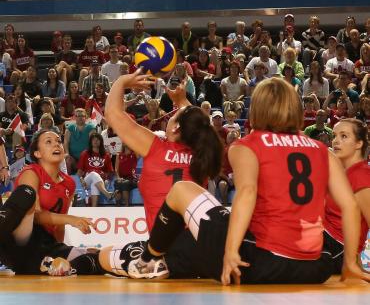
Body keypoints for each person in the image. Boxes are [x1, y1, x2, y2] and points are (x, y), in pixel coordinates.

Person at [126, 77, 370, 285]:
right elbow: (349, 206)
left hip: (263, 263)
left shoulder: (247, 146)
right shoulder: (321, 149)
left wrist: (231, 252)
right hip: (315, 267)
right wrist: (349, 262)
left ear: (257, 108)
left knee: (181, 190)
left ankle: (148, 259)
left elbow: (247, 192)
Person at [105, 69, 223, 232]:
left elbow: (112, 114)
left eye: (172, 116)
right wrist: (182, 102)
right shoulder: (201, 152)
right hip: (198, 245)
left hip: (164, 250)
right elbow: (202, 127)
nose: (169, 117)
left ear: (175, 128)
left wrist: (122, 81)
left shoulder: (155, 148)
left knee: (100, 256)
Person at [0, 129, 101, 275]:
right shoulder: (31, 172)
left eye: (59, 141)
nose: (57, 145)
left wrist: (59, 250)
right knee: (26, 193)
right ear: (37, 153)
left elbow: (58, 227)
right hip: (18, 239)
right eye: (49, 142)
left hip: (40, 247)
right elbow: (36, 215)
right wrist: (72, 220)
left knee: (92, 259)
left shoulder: (69, 183)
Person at [324, 118, 370, 274]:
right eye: (334, 136)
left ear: (359, 143)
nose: (336, 141)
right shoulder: (341, 173)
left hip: (338, 248)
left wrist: (355, 260)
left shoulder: (362, 175)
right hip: (326, 240)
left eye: (344, 136)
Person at [77, 133, 115, 207]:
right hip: (87, 179)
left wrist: (107, 178)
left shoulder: (106, 155)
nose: (95, 141)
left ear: (101, 142)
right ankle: (107, 194)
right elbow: (79, 171)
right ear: (90, 142)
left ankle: (94, 210)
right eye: (93, 140)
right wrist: (81, 179)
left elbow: (110, 171)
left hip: (102, 181)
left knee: (95, 184)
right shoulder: (85, 153)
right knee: (94, 174)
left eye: (97, 140)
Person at [64, 108, 96, 174]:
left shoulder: (91, 128)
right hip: (73, 158)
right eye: (77, 116)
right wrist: (67, 153)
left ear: (86, 117)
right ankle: (67, 179)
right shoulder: (70, 128)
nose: (80, 118)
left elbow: (94, 143)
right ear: (74, 117)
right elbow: (66, 142)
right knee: (67, 159)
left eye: (82, 116)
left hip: (87, 157)